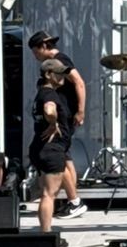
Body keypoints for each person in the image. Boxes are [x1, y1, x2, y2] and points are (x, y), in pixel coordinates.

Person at [28, 31, 86, 214]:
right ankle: (72, 199)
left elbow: (79, 83)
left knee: (61, 156)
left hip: (63, 116)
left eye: (35, 52)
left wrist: (80, 110)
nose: (35, 57)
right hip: (61, 115)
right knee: (65, 157)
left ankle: (74, 201)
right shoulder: (57, 62)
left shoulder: (61, 60)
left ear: (43, 47)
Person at [29, 61, 74, 233]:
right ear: (48, 74)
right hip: (52, 150)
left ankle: (44, 231)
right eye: (59, 73)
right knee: (49, 195)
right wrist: (53, 123)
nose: (62, 76)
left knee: (46, 193)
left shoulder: (41, 93)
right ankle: (46, 234)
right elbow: (49, 110)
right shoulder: (49, 95)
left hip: (40, 148)